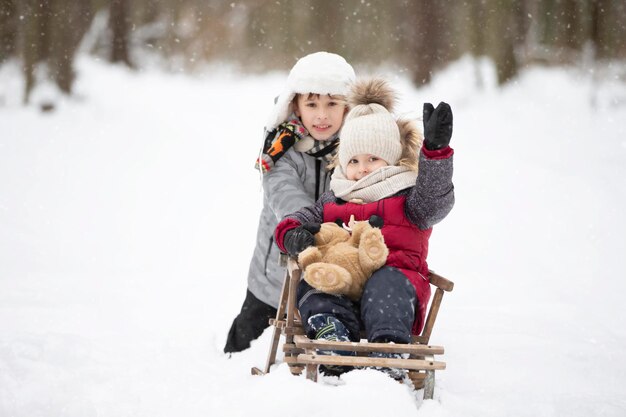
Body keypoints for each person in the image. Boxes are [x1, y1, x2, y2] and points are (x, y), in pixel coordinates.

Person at [273, 77, 455, 378]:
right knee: (317, 281)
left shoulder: (409, 199)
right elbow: (298, 217)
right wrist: (291, 233)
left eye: (373, 158)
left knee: (386, 285)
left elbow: (436, 201)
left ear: (393, 158)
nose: (363, 168)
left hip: (392, 282)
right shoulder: (335, 198)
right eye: (354, 160)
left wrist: (435, 156)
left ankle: (389, 345)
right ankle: (331, 333)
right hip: (343, 281)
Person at [223, 52, 356, 353]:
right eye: (312, 104)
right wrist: (305, 223)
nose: (322, 115)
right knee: (251, 333)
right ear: (295, 105)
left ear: (348, 106)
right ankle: (231, 363)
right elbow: (282, 189)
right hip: (276, 270)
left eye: (332, 104)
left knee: (322, 326)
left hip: (332, 268)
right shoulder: (282, 145)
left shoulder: (357, 149)